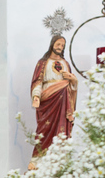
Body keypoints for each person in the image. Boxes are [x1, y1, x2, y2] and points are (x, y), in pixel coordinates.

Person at [29, 34, 77, 169]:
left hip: (64, 101)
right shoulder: (43, 63)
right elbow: (38, 81)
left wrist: (73, 80)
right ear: (52, 44)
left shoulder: (65, 64)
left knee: (62, 129)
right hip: (48, 100)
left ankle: (60, 159)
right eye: (58, 44)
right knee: (45, 129)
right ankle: (38, 159)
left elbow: (72, 84)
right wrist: (36, 96)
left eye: (62, 45)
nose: (60, 47)